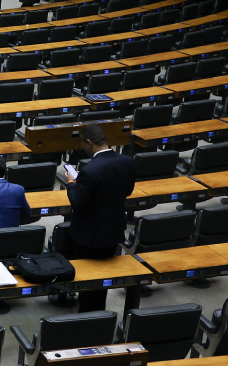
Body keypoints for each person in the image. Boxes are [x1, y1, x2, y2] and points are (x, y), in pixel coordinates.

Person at [64, 123, 135, 312]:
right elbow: (127, 191)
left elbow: (78, 203)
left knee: (88, 280)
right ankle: (99, 312)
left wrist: (71, 183)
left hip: (89, 234)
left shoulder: (90, 169)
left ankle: (87, 317)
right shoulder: (127, 162)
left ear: (88, 143)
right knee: (102, 277)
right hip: (113, 229)